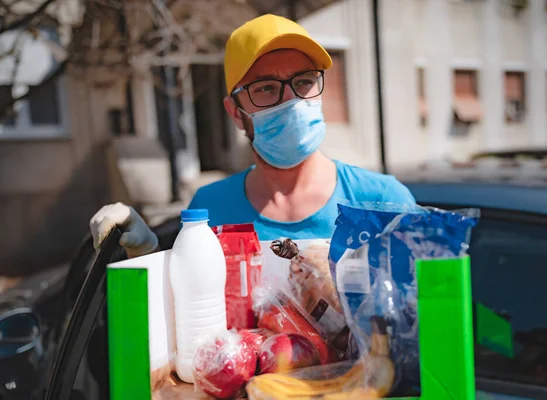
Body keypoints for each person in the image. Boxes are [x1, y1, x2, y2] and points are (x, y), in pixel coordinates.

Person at [89, 14, 416, 257]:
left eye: (304, 81)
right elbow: (184, 324)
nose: (291, 101)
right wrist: (146, 256)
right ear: (235, 112)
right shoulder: (209, 211)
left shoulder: (383, 201)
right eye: (266, 88)